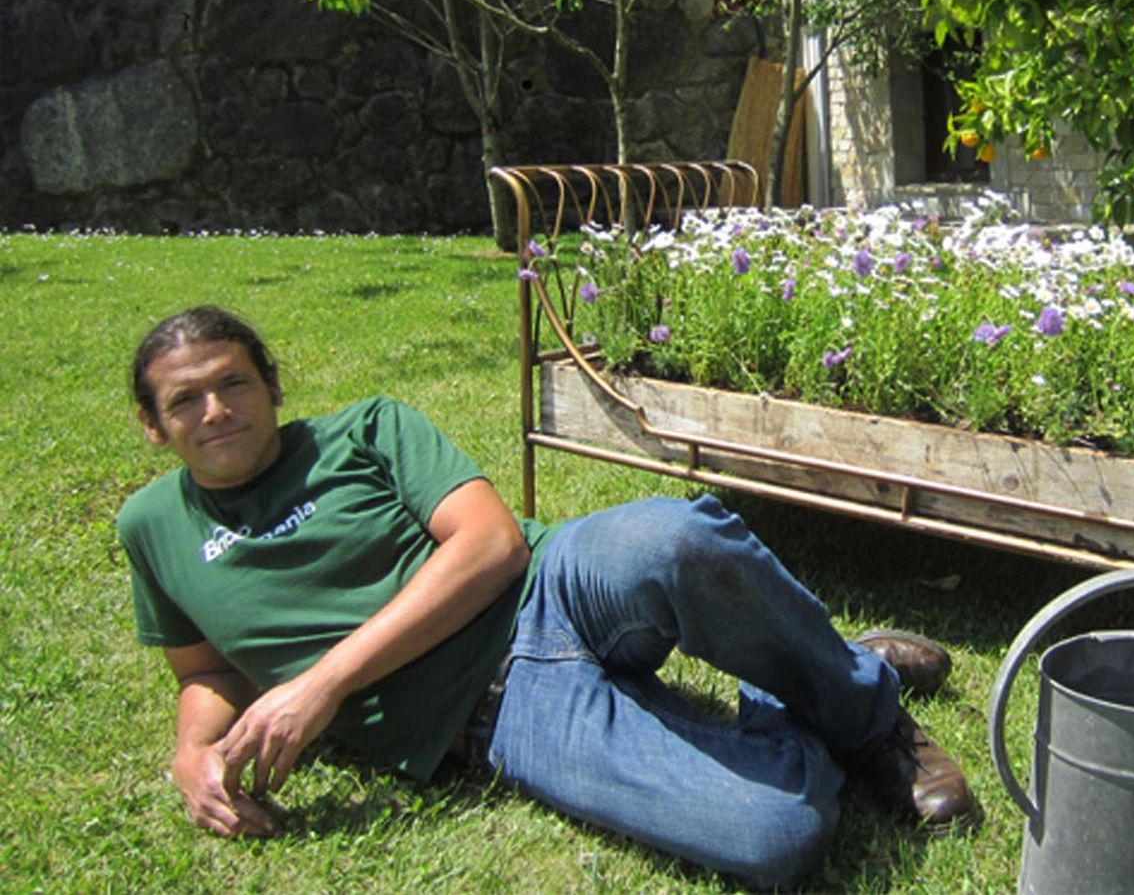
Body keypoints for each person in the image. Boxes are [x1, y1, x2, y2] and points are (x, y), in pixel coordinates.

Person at [118, 305, 978, 887]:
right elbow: (206, 669)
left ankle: (872, 721)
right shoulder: (152, 527)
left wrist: (324, 683)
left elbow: (490, 546)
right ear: (155, 428)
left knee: (676, 537)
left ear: (270, 384)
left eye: (233, 382)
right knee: (776, 837)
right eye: (185, 400)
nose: (216, 410)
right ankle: (811, 672)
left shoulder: (367, 431)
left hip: (546, 585)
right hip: (496, 715)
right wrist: (192, 753)